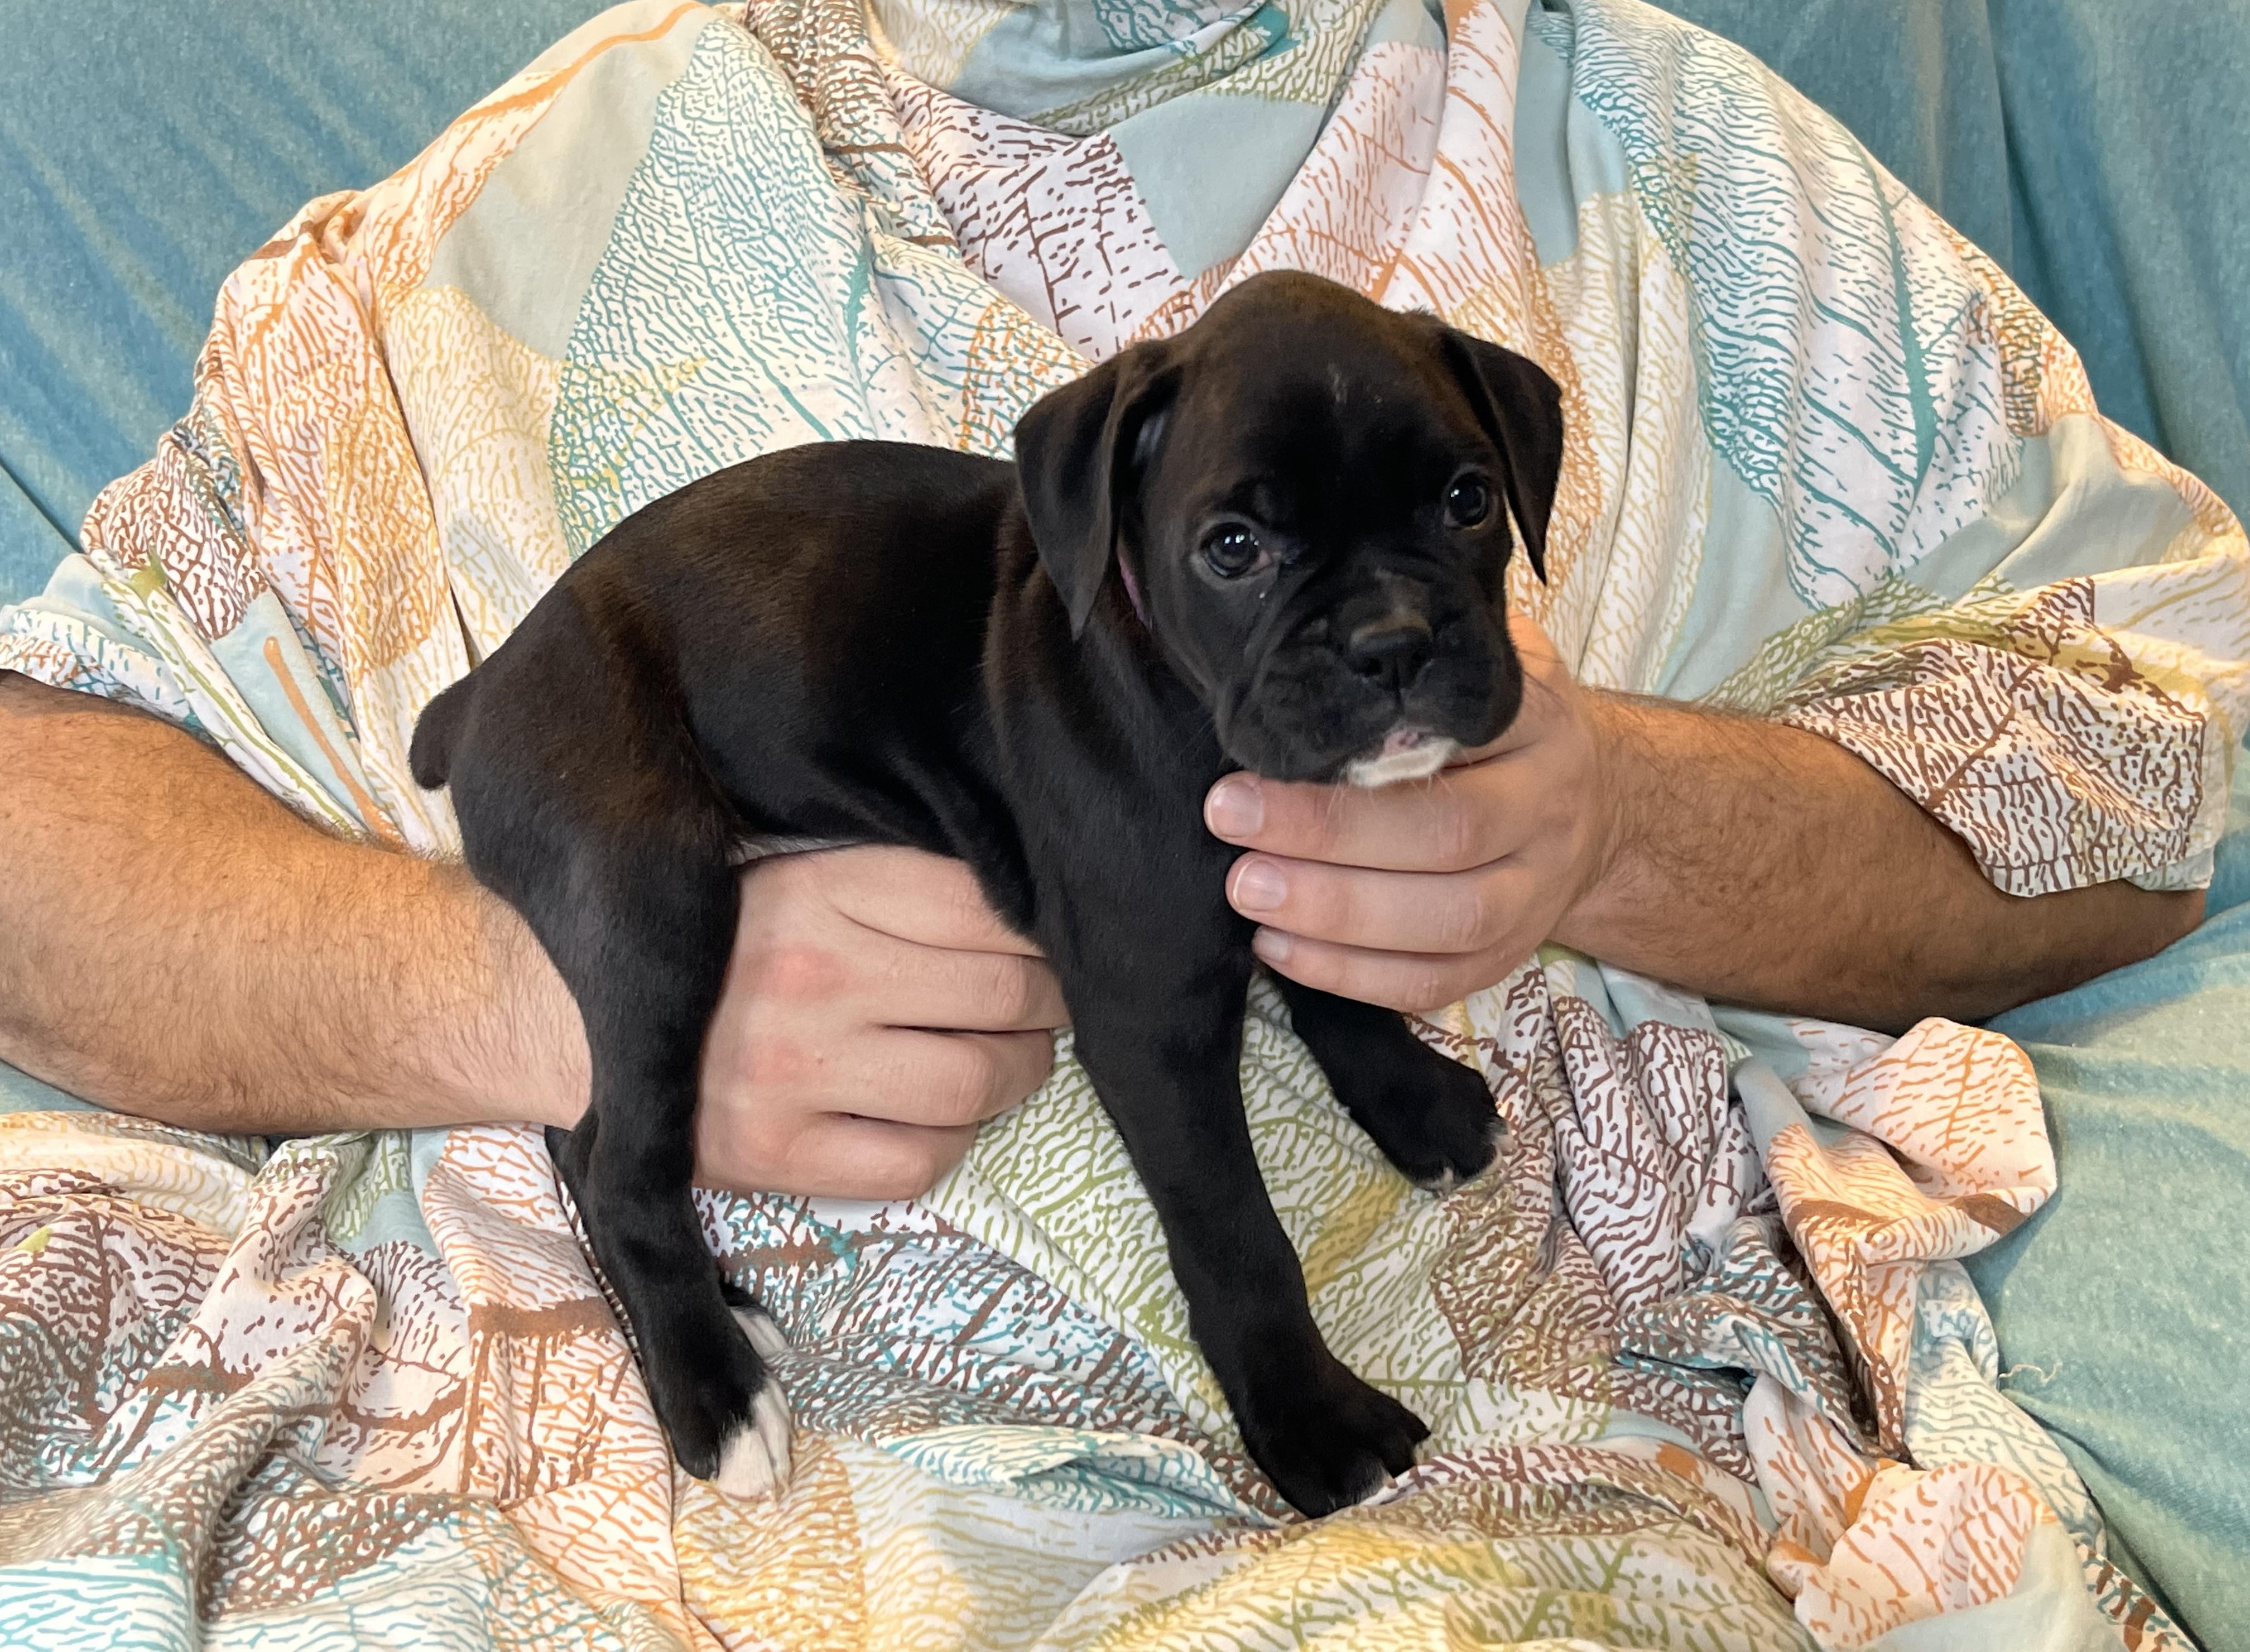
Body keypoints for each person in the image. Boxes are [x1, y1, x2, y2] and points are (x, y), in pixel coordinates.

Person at [0, 609, 2195, 1198]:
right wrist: (555, 983)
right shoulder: (461, 247)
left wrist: (1621, 816)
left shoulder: (1687, 185)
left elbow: (2168, 784)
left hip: (1476, 1524)